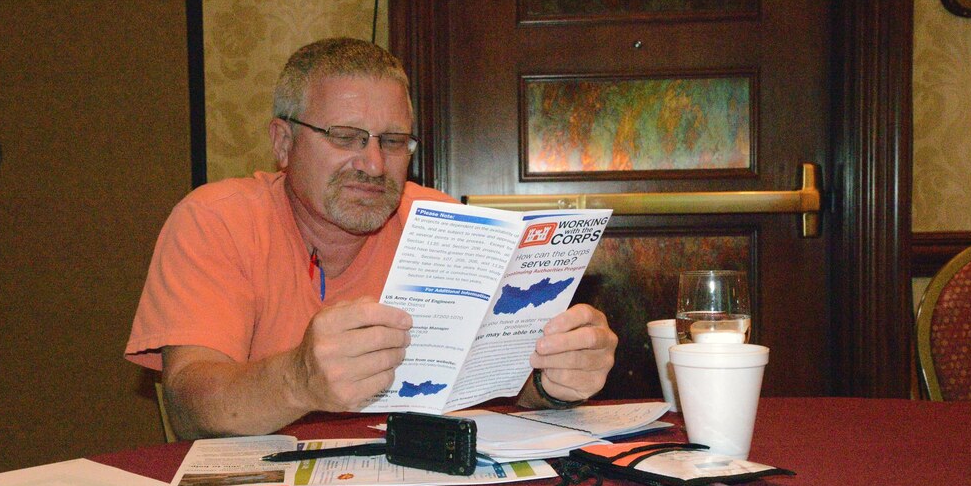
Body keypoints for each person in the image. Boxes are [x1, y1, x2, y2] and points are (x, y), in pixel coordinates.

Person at [125, 37, 617, 439]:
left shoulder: (443, 224)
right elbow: (189, 406)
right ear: (283, 142)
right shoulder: (216, 221)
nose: (373, 164)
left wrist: (556, 378)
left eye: (393, 141)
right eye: (345, 136)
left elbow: (502, 390)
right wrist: (298, 380)